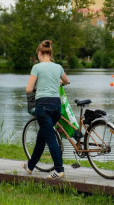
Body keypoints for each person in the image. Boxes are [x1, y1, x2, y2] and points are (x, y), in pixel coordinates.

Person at [22, 40, 70, 179]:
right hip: (56, 107)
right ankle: (30, 166)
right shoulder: (58, 67)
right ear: (50, 53)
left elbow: (28, 89)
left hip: (43, 107)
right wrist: (57, 81)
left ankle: (59, 169)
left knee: (50, 139)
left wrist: (39, 86)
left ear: (39, 53)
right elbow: (67, 81)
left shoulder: (37, 68)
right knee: (41, 138)